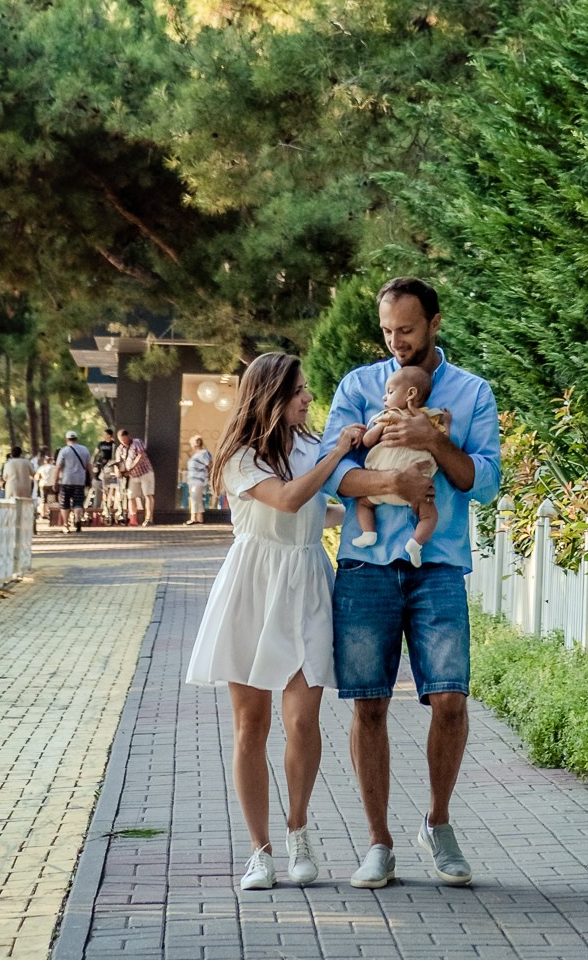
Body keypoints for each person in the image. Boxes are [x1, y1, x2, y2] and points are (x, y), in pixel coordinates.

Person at [321, 276, 501, 891]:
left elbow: (484, 482)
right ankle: (378, 843)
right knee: (368, 704)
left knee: (450, 699)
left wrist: (433, 440)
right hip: (366, 566)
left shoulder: (472, 393)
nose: (397, 342)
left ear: (434, 324)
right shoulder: (356, 387)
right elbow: (332, 474)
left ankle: (439, 823)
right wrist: (389, 487)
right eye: (388, 331)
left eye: (408, 330)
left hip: (438, 564)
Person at [186, 351, 384, 893]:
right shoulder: (240, 456)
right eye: (299, 389)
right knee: (252, 725)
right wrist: (339, 451)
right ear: (271, 395)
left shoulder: (310, 446)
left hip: (307, 583)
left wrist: (383, 496)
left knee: (302, 720)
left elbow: (323, 506)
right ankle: (260, 850)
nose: (308, 398)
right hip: (253, 584)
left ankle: (298, 830)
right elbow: (292, 499)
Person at [353, 365, 446, 566]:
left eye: (390, 392)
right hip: (418, 492)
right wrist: (447, 422)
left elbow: (368, 441)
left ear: (410, 393)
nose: (384, 398)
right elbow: (444, 440)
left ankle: (369, 532)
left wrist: (370, 431)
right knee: (429, 516)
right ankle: (416, 542)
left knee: (362, 502)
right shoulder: (431, 419)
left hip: (380, 484)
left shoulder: (388, 415)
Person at [54, 430, 93, 533]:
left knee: (64, 503)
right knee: (78, 502)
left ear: (67, 439)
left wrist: (55, 481)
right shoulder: (84, 450)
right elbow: (89, 466)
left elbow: (58, 467)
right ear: (76, 439)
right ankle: (78, 520)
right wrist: (92, 479)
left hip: (66, 480)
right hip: (80, 480)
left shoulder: (64, 451)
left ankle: (66, 525)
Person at [116, 428, 155, 526]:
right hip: (133, 476)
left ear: (128, 436)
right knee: (131, 496)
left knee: (148, 494)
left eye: (124, 439)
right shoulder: (120, 448)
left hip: (145, 472)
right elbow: (119, 462)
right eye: (121, 440)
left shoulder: (136, 442)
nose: (124, 442)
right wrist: (120, 472)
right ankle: (133, 519)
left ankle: (148, 519)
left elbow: (141, 455)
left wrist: (131, 468)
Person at [186, 434, 212, 524]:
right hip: (193, 479)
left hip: (198, 479)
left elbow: (209, 464)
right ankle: (200, 518)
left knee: (193, 497)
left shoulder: (203, 453)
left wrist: (209, 476)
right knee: (197, 498)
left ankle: (193, 518)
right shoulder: (197, 454)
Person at [35, 452, 57, 523]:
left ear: (45, 461)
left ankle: (43, 514)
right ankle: (52, 514)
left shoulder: (41, 468)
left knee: (43, 500)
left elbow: (37, 477)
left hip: (43, 485)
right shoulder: (54, 467)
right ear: (51, 461)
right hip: (52, 484)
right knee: (52, 500)